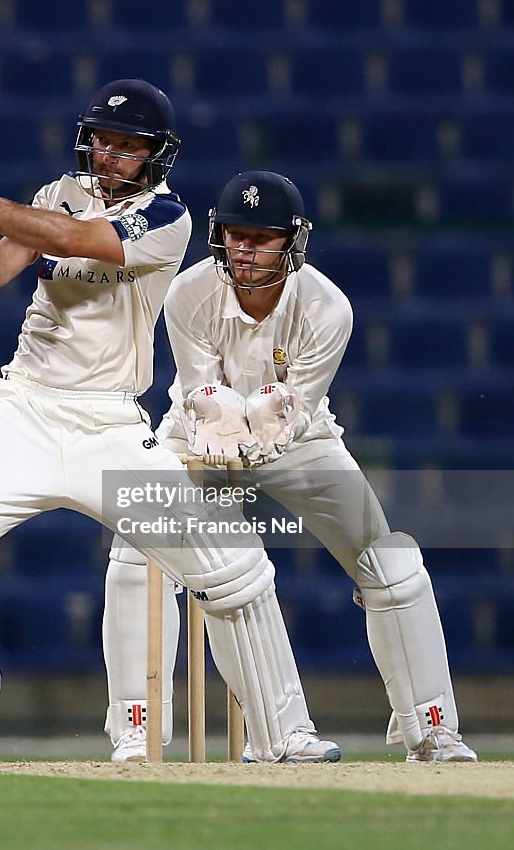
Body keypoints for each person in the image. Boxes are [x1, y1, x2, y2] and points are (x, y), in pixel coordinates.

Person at [0, 81, 337, 765]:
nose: (110, 156)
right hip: (25, 410)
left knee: (235, 568)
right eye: (104, 141)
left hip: (110, 425)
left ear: (155, 156)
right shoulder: (52, 194)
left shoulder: (168, 218)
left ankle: (287, 735)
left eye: (128, 148)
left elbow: (78, 239)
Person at [102, 170, 478, 764]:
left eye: (261, 236)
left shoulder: (329, 308)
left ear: (291, 241)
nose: (245, 250)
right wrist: (223, 423)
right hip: (198, 440)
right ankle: (141, 730)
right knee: (135, 551)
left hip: (300, 441)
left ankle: (432, 730)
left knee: (392, 564)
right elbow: (203, 396)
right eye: (234, 234)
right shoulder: (188, 294)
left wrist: (266, 424)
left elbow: (293, 414)